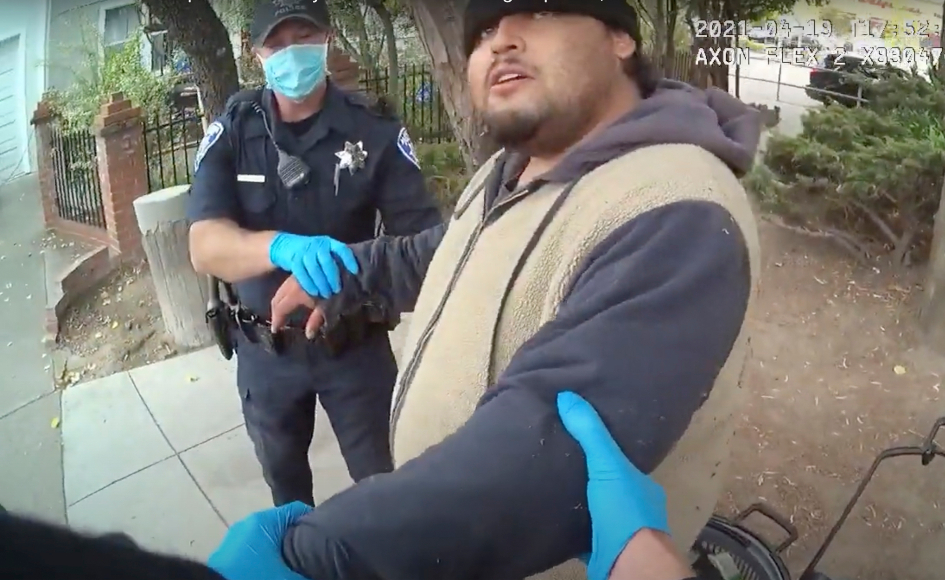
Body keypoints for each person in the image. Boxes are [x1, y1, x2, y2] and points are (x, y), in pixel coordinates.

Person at [265, 1, 763, 579]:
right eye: (482, 31)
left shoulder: (676, 209)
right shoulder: (511, 167)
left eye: (538, 10)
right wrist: (354, 270)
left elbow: (540, 450)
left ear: (620, 39)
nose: (500, 41)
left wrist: (320, 555)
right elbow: (455, 256)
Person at [0, 393, 699, 580]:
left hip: (347, 353)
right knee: (288, 485)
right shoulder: (236, 127)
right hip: (267, 356)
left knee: (369, 492)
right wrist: (643, 559)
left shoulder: (365, 130)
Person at [186, 0, 442, 508]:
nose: (290, 54)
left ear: (327, 39)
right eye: (277, 44)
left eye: (302, 39)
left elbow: (428, 250)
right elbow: (204, 245)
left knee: (388, 491)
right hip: (266, 351)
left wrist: (352, 278)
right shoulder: (234, 132)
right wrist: (282, 246)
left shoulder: (375, 133)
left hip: (355, 346)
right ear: (256, 52)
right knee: (287, 496)